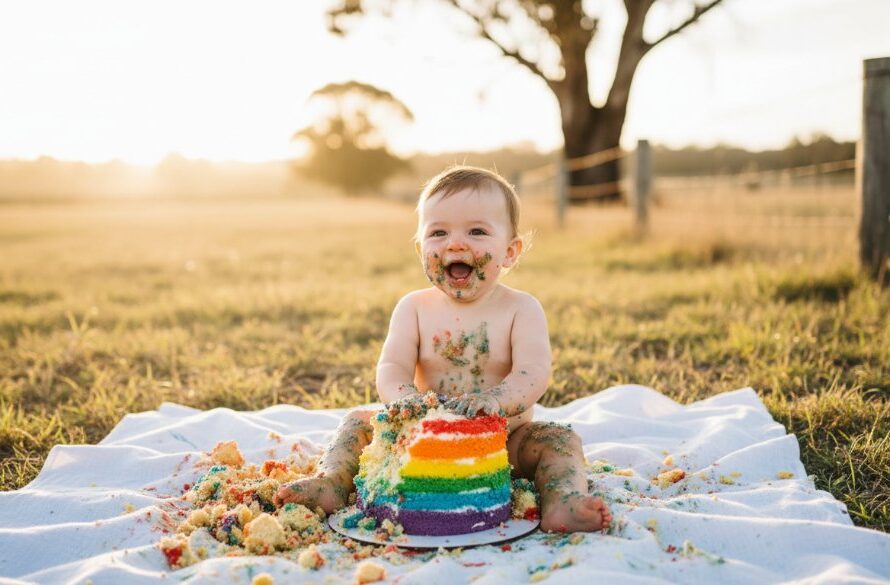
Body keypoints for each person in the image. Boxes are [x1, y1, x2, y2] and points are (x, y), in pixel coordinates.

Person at [275, 166, 611, 533]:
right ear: (421, 249)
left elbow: (533, 371)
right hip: (419, 440)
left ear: (511, 251)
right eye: (438, 233)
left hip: (501, 445)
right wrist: (403, 399)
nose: (455, 244)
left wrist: (497, 400)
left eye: (477, 231)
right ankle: (333, 481)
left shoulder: (521, 309)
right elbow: (392, 366)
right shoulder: (414, 308)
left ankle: (563, 501)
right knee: (357, 421)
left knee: (559, 440)